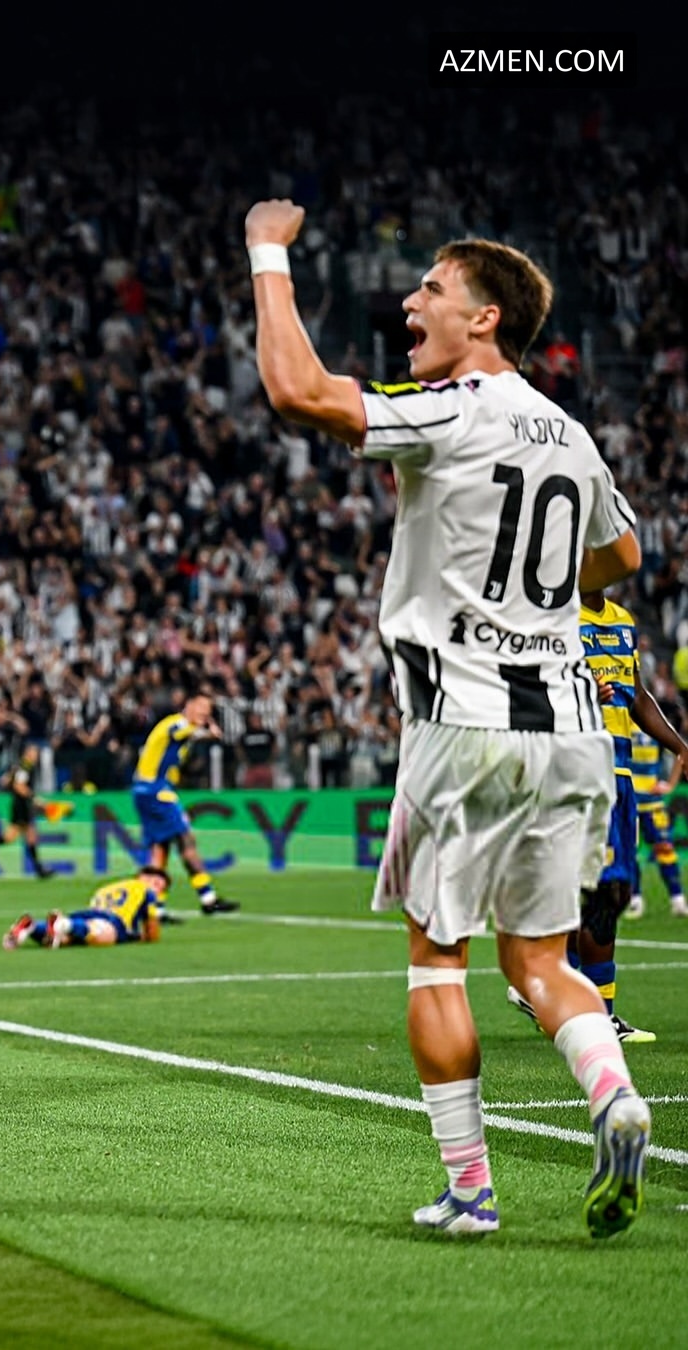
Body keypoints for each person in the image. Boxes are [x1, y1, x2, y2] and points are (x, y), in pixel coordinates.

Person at [247, 198, 649, 1238]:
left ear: (485, 319)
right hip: (571, 729)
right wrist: (539, 595)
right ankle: (614, 1095)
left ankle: (471, 1190)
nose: (409, 302)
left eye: (431, 289)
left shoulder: (452, 410)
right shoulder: (570, 433)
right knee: (543, 962)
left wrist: (267, 254)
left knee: (438, 961)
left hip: (460, 724)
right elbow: (623, 555)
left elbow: (297, 391)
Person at [509, 592, 688, 1043]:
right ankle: (594, 1015)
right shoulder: (555, 618)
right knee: (601, 895)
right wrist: (575, 693)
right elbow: (524, 689)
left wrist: (679, 746)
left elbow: (637, 697)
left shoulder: (622, 621)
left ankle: (547, 990)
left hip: (620, 776)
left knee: (607, 892)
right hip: (579, 769)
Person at [131, 686, 239, 915]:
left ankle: (154, 908)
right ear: (188, 705)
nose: (204, 713)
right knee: (186, 840)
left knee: (160, 848)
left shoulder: (183, 730)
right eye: (200, 707)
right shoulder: (177, 724)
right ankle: (208, 898)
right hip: (156, 790)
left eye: (208, 709)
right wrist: (207, 733)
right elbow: (180, 731)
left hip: (145, 790)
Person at [0, 742, 69, 877]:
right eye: (34, 753)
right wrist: (33, 797)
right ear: (27, 753)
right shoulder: (25, 767)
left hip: (19, 804)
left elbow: (4, 781)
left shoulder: (18, 766)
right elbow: (19, 786)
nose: (36, 756)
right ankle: (39, 869)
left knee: (14, 836)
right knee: (25, 835)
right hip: (22, 805)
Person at [2, 865, 170, 949]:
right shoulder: (146, 890)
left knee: (66, 940)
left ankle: (32, 927)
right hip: (111, 920)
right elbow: (152, 931)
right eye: (157, 884)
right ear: (143, 877)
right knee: (104, 935)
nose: (157, 890)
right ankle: (63, 924)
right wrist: (144, 937)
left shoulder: (105, 888)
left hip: (87, 915)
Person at [626, 729, 687, 918]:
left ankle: (678, 900)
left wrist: (670, 784)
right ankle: (635, 900)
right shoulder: (619, 720)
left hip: (653, 803)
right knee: (629, 851)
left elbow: (680, 751)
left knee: (665, 849)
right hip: (628, 801)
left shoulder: (653, 722)